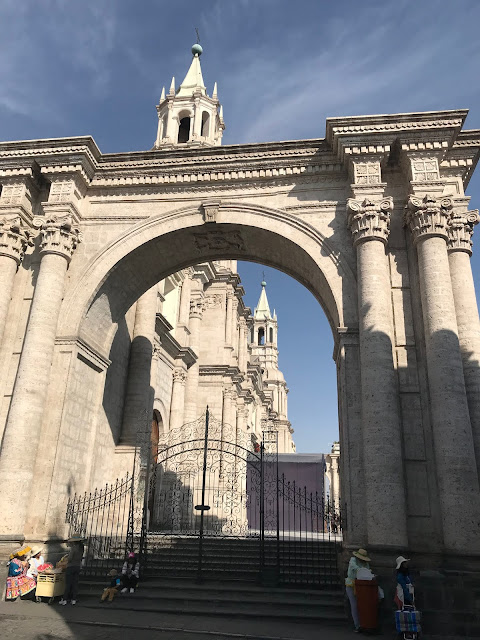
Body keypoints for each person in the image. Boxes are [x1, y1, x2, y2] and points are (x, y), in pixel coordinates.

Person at [345, 548, 371, 633]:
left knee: (362, 605)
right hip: (351, 584)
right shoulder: (353, 560)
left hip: (362, 585)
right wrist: (362, 570)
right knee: (354, 605)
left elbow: (368, 571)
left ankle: (364, 623)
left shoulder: (366, 563)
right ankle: (357, 625)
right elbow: (353, 567)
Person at [59, 533, 85, 606]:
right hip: (77, 566)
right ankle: (74, 599)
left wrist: (66, 560)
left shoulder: (73, 548)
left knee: (68, 584)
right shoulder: (81, 548)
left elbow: (70, 558)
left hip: (71, 566)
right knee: (75, 583)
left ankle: (65, 599)